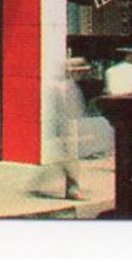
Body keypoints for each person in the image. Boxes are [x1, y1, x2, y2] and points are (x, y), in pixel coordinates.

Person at [38, 56, 88, 200]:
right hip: (67, 125)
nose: (81, 75)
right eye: (79, 72)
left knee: (70, 159)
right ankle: (73, 189)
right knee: (71, 160)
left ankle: (71, 188)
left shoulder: (68, 86)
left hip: (70, 124)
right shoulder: (65, 87)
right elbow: (67, 109)